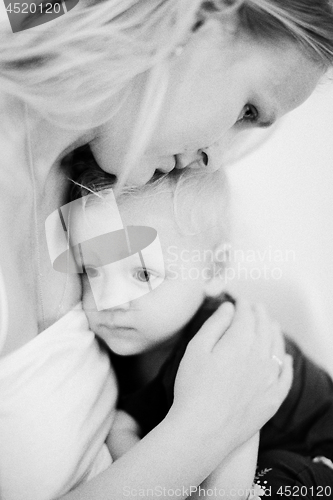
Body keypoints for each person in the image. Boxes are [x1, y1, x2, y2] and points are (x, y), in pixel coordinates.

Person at [0, 1, 333, 499]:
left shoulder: (82, 184)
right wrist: (205, 430)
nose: (214, 156)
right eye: (248, 110)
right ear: (199, 18)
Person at [69, 163, 333, 499]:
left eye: (144, 275)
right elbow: (126, 425)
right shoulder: (131, 337)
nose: (110, 301)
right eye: (91, 271)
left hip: (312, 451)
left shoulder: (222, 343)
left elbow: (235, 435)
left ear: (213, 270)